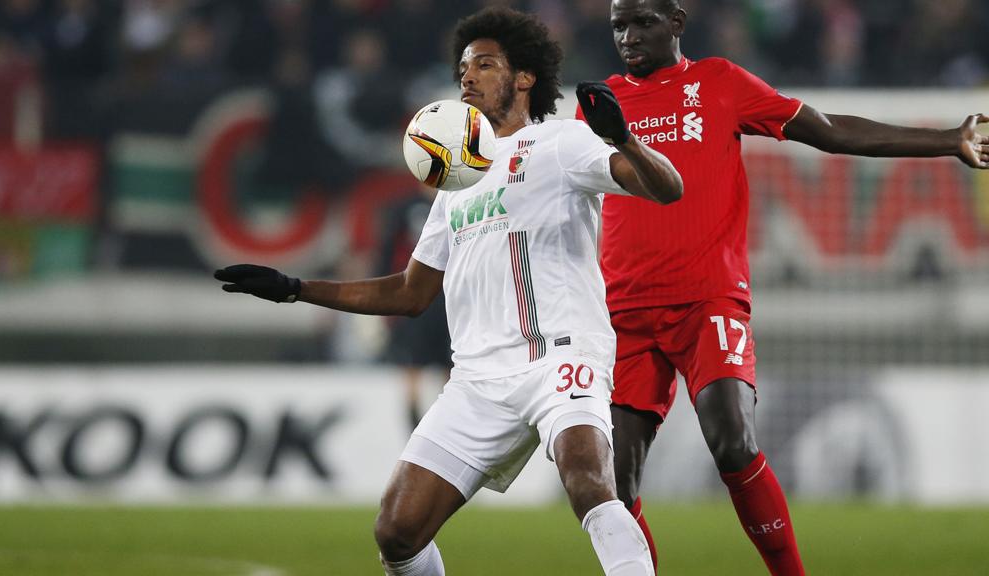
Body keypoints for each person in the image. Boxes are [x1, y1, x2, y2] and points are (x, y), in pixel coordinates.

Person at [214, 7, 683, 576]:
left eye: (484, 64)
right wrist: (295, 288)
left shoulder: (563, 143)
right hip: (478, 377)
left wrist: (624, 141)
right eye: (463, 66)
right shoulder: (456, 176)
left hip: (561, 355)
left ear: (525, 78)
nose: (466, 76)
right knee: (397, 532)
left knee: (587, 478)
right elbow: (410, 292)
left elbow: (668, 189)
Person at [580, 1, 989, 575]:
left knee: (734, 441)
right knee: (613, 488)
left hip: (707, 300)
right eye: (618, 25)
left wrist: (947, 140)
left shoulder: (718, 81)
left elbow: (827, 130)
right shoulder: (596, 110)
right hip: (622, 311)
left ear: (676, 21)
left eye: (642, 21)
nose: (628, 36)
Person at [375, 186, 453, 430]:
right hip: (416, 297)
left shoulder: (457, 198)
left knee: (452, 368)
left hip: (450, 298)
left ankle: (448, 426)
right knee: (412, 367)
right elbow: (386, 252)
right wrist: (386, 298)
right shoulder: (405, 206)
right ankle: (415, 431)